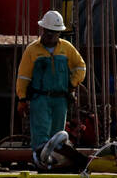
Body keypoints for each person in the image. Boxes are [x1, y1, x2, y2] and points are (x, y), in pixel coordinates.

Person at [16, 10, 87, 160]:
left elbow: (80, 67)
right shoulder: (32, 50)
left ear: (59, 33)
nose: (50, 35)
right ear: (43, 30)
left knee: (58, 137)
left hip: (60, 100)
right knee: (41, 137)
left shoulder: (67, 48)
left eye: (54, 32)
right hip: (40, 100)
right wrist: (22, 98)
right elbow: (24, 76)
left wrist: (73, 84)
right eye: (48, 32)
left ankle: (55, 165)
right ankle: (41, 167)